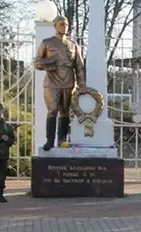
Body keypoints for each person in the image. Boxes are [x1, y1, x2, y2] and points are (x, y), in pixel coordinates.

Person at [33, 16, 86, 151]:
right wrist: (48, 64)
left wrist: (82, 84)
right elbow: (37, 62)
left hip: (68, 81)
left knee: (65, 112)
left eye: (66, 24)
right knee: (52, 111)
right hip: (52, 81)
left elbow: (79, 66)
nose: (64, 27)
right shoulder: (47, 42)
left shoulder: (73, 45)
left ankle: (62, 139)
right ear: (55, 26)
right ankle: (49, 141)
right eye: (61, 24)